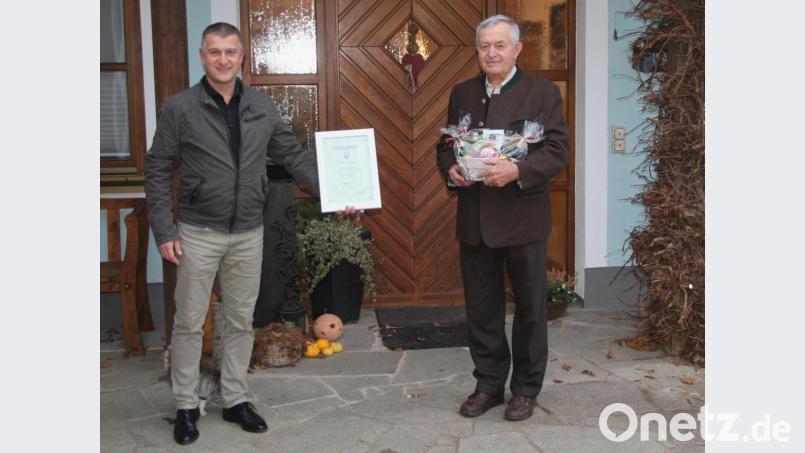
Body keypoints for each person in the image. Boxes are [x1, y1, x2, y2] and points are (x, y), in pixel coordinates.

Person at [145, 22, 352, 445]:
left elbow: (292, 156)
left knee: (241, 320)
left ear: (242, 57)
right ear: (202, 57)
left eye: (230, 52)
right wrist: (164, 228)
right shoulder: (179, 108)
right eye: (214, 52)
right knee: (188, 321)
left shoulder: (261, 106)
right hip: (198, 230)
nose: (223, 59)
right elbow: (157, 168)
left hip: (247, 232)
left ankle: (236, 398)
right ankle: (186, 404)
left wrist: (335, 193)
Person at [436, 15, 569, 422]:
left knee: (530, 308)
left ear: (516, 49)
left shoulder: (542, 92)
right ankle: (489, 384)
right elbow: (446, 144)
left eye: (499, 45)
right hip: (475, 219)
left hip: (523, 218)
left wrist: (519, 171)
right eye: (484, 47)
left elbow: (557, 150)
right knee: (482, 307)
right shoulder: (462, 92)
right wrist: (451, 171)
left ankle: (526, 388)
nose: (491, 53)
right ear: (477, 51)